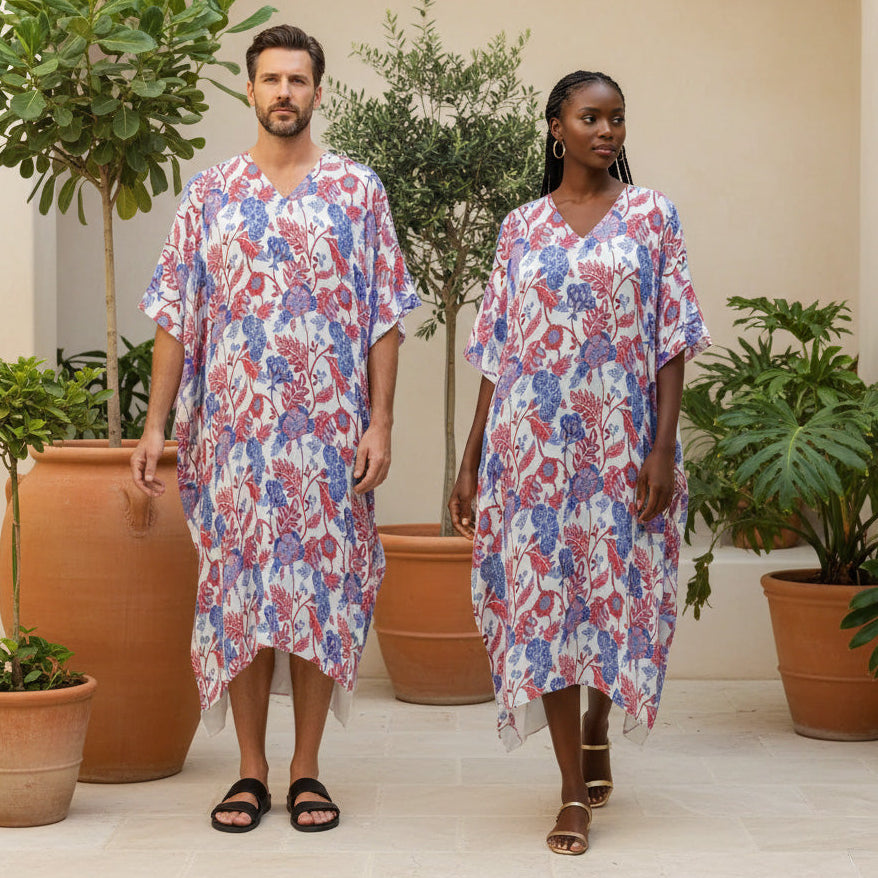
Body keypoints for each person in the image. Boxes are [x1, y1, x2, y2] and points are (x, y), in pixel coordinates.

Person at [131, 24, 419, 834]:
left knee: (319, 595)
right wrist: (157, 426)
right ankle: (251, 771)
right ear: (249, 90)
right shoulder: (210, 194)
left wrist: (381, 423)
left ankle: (307, 768)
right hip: (231, 442)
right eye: (271, 79)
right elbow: (174, 319)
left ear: (319, 91)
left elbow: (385, 317)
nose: (285, 92)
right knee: (243, 598)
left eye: (299, 79)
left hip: (329, 437)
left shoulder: (358, 192)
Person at [449, 70, 710, 855]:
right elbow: (498, 351)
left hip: (622, 449)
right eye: (590, 117)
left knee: (616, 600)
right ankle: (570, 791)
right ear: (555, 127)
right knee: (548, 611)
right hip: (530, 455)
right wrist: (470, 461)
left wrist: (662, 448)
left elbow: (672, 340)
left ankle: (601, 719)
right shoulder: (521, 227)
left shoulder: (652, 218)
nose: (607, 131)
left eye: (617, 118)